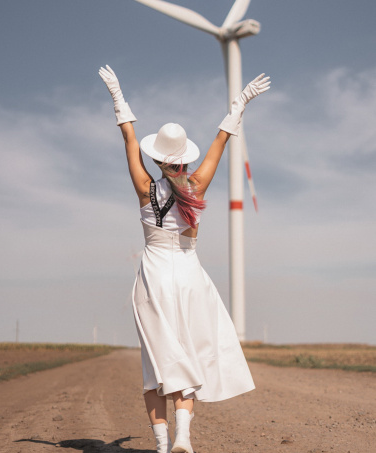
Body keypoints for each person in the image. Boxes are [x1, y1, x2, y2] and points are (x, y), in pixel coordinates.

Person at [99, 65, 271, 453]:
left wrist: (117, 95)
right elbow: (221, 142)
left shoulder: (145, 188)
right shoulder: (196, 185)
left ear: (158, 160)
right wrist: (240, 104)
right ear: (184, 161)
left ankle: (162, 448)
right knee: (189, 356)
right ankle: (184, 440)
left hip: (154, 278)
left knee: (156, 364)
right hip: (190, 277)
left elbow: (128, 137)